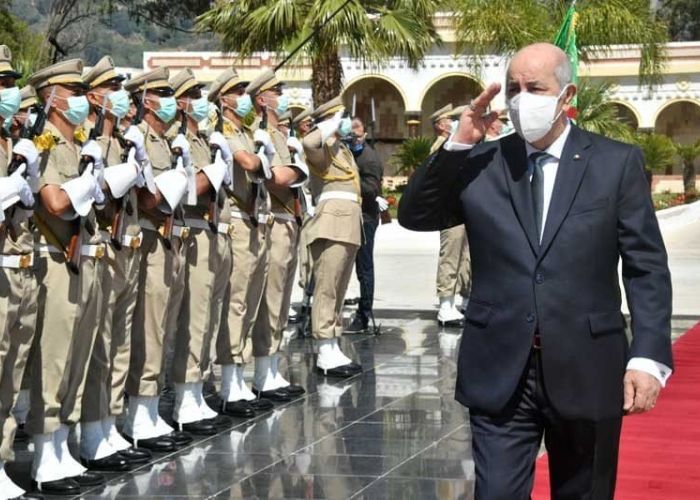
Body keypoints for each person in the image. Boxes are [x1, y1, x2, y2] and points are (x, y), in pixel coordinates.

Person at [398, 42, 673, 499]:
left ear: (567, 97)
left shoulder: (615, 163)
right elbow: (416, 215)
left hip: (588, 366)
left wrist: (647, 357)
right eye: (513, 88)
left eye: (536, 87)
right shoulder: (484, 162)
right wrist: (461, 142)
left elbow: (646, 266)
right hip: (501, 369)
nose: (522, 98)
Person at [27, 58, 108, 495]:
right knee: (54, 359)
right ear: (52, 97)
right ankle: (43, 454)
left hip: (83, 259)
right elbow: (55, 203)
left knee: (77, 357)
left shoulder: (77, 144)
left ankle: (62, 447)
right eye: (73, 92)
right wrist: (87, 181)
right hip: (57, 261)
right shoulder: (44, 143)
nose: (81, 100)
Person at [79, 55, 150, 472]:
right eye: (112, 90)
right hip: (103, 248)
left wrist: (139, 164)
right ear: (94, 96)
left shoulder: (125, 141)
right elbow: (95, 197)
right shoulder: (92, 142)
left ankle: (109, 423)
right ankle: (92, 427)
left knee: (120, 342)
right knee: (101, 344)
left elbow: (149, 197)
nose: (121, 98)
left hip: (129, 247)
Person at [122, 66, 193, 452]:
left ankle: (150, 409)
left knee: (162, 329)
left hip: (172, 242)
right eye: (163, 94)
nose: (171, 101)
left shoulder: (167, 142)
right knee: (147, 331)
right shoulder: (139, 139)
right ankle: (138, 413)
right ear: (146, 100)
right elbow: (147, 199)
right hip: (150, 241)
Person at [168, 68, 233, 434]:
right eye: (191, 95)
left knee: (209, 315)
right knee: (193, 319)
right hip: (194, 232)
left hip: (215, 233)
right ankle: (184, 394)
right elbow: (186, 190)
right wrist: (213, 170)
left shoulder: (203, 140)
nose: (198, 101)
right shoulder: (179, 141)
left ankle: (197, 389)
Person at [208, 67, 274, 419]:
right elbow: (248, 164)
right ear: (223, 99)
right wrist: (264, 158)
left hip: (255, 222)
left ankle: (239, 374)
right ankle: (228, 378)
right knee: (235, 302)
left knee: (249, 300)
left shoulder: (247, 131)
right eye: (237, 91)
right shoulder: (223, 132)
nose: (243, 96)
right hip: (236, 220)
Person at [247, 69, 308, 401]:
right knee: (269, 300)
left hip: (289, 221)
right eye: (274, 92)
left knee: (282, 300)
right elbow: (277, 179)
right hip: (272, 221)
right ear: (261, 99)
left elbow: (292, 175)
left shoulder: (280, 136)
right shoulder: (261, 135)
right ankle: (262, 371)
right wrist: (294, 170)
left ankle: (270, 367)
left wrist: (294, 169)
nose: (279, 97)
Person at [0, 45, 40, 498]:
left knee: (9, 375)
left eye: (12, 83)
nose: (9, 91)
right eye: (3, 85)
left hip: (16, 271)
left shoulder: (10, 142)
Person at [302, 96, 363, 378]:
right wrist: (330, 124)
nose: (349, 120)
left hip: (349, 222)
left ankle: (333, 342)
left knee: (339, 288)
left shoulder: (343, 149)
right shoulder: (323, 147)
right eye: (343, 116)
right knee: (327, 286)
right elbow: (308, 143)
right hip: (331, 222)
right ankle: (324, 346)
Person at [344, 116, 386, 334]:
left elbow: (372, 190)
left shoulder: (368, 159)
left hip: (366, 218)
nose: (354, 139)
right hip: (353, 216)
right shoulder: (352, 155)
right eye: (350, 135)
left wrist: (349, 177)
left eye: (357, 135)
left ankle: (364, 314)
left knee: (364, 268)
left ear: (365, 135)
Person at [429, 104, 470, 327]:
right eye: (449, 121)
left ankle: (464, 298)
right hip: (450, 210)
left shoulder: (460, 143)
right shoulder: (442, 145)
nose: (452, 123)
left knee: (467, 257)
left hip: (465, 207)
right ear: (441, 126)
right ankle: (446, 304)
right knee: (451, 256)